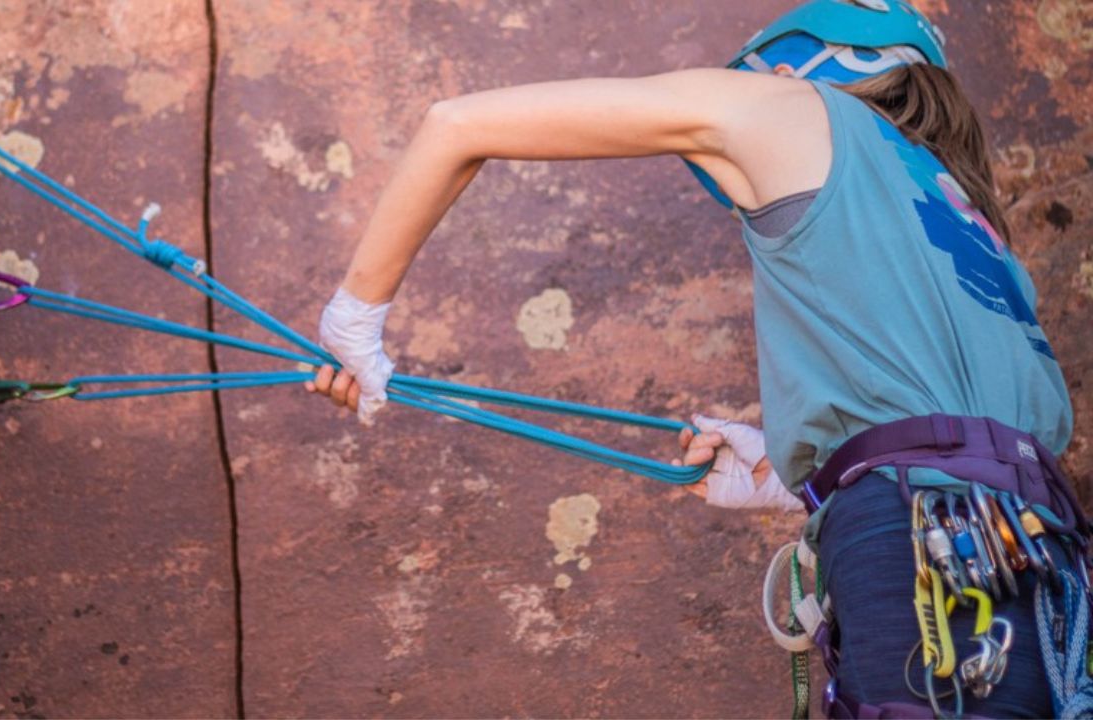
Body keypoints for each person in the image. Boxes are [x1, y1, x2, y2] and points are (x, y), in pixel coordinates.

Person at [306, 0, 1092, 717]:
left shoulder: (789, 107)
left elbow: (455, 124)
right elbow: (977, 433)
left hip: (922, 556)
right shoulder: (966, 218)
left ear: (804, 63)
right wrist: (802, 473)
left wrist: (355, 319)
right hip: (1048, 568)